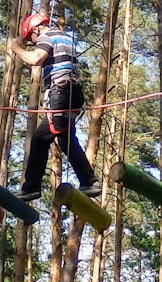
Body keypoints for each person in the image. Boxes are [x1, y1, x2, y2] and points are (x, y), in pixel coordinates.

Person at [13, 12, 98, 199]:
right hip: (73, 93)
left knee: (40, 139)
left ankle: (31, 187)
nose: (34, 41)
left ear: (36, 29)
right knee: (66, 140)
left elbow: (36, 58)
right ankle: (89, 182)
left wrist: (17, 49)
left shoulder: (46, 36)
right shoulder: (64, 36)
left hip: (61, 93)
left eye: (31, 38)